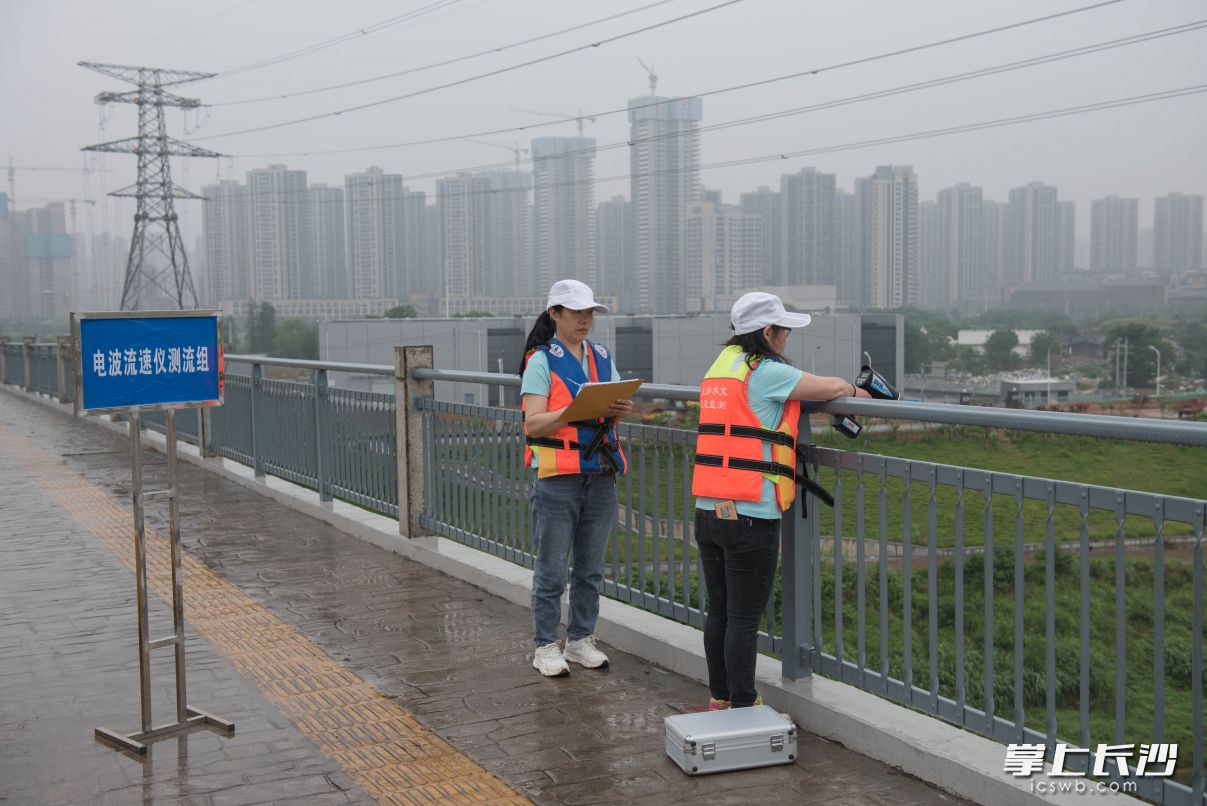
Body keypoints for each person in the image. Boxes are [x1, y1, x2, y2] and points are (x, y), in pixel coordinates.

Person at [691, 292, 871, 709]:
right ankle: (743, 702)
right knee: (742, 618)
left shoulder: (720, 369)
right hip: (749, 514)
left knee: (719, 610)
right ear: (767, 332)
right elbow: (828, 387)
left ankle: (720, 697)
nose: (787, 338)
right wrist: (850, 388)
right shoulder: (766, 370)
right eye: (784, 330)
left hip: (709, 509)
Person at [520, 279, 634, 677]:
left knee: (590, 568)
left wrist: (619, 407)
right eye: (576, 313)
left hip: (600, 473)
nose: (585, 320)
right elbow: (533, 424)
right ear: (555, 315)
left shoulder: (601, 355)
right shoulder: (541, 361)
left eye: (589, 313)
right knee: (551, 568)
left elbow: (609, 407)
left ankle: (581, 639)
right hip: (558, 477)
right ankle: (545, 645)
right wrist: (568, 413)